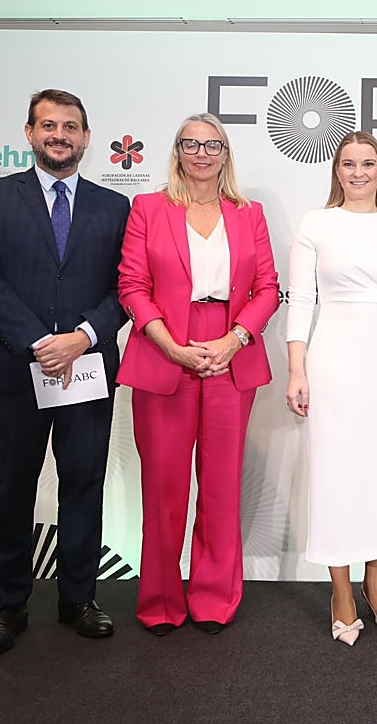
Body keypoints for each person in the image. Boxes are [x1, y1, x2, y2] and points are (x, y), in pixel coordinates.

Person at [0, 89, 130, 658]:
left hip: (87, 369)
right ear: (30, 133)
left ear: (86, 137)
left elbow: (126, 288)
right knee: (11, 490)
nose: (60, 135)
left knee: (83, 485)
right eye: (49, 125)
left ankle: (78, 599)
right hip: (12, 369)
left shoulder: (115, 207)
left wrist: (82, 337)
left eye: (71, 126)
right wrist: (39, 343)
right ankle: (8, 606)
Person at [117, 114, 279, 636]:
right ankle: (160, 600)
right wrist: (170, 345)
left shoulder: (249, 213)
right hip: (164, 349)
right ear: (177, 152)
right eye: (191, 144)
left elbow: (268, 288)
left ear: (225, 153)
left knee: (221, 486)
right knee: (164, 487)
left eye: (212, 145)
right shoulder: (148, 208)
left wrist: (235, 339)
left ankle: (213, 597)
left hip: (231, 350)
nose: (201, 153)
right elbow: (132, 285)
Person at [285, 131, 377, 647]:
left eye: (368, 163)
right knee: (337, 476)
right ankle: (341, 592)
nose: (358, 172)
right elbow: (301, 299)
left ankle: (376, 584)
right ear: (337, 170)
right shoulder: (316, 223)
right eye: (348, 163)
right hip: (334, 363)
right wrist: (297, 370)